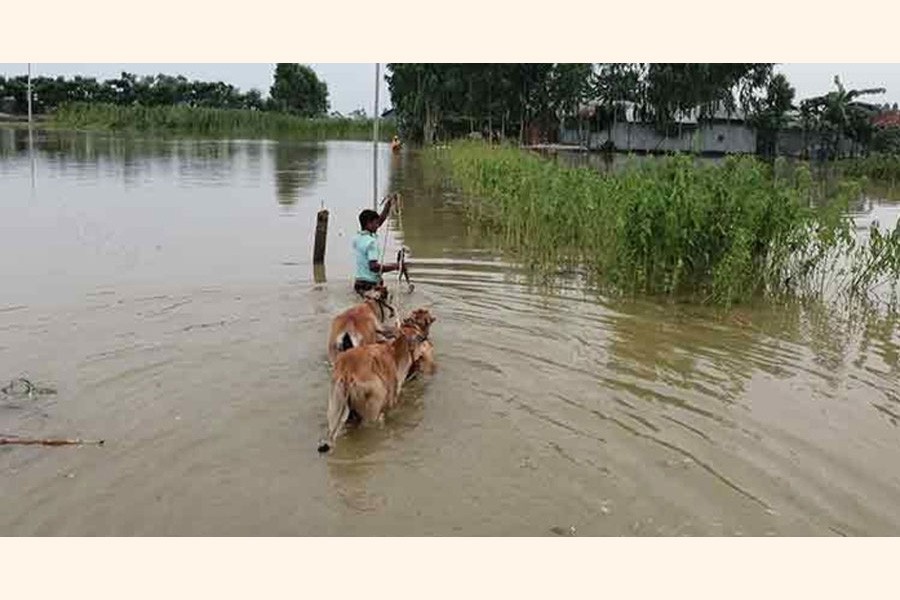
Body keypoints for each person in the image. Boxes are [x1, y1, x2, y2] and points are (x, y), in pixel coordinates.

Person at [352, 195, 404, 297]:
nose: (377, 226)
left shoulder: (357, 238)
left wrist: (388, 205)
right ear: (368, 224)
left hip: (359, 284)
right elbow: (374, 267)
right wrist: (397, 266)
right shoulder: (372, 242)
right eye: (375, 224)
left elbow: (379, 221)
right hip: (371, 285)